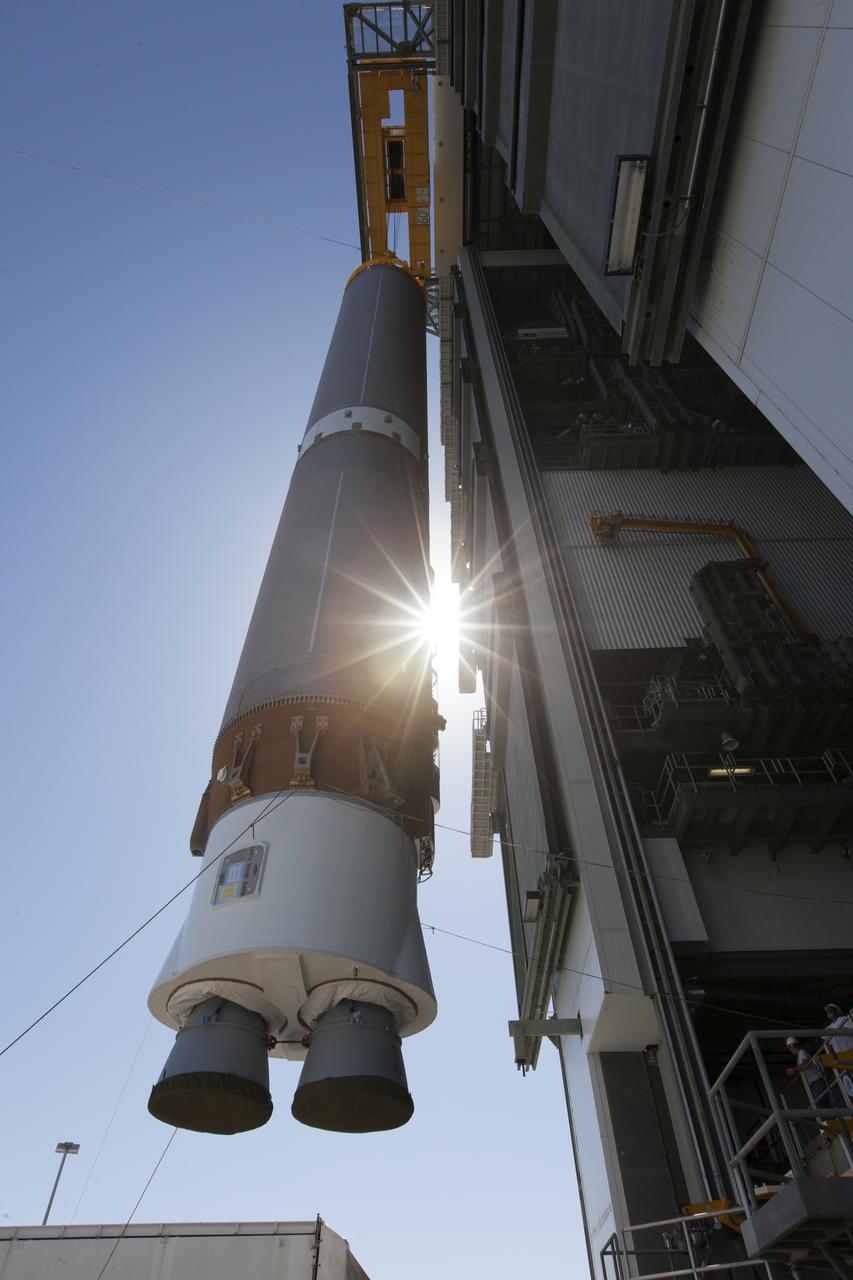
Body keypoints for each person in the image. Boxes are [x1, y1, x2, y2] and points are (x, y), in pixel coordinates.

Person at [785, 1036, 831, 1111]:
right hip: (813, 1082)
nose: (791, 1050)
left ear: (792, 1046)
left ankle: (831, 1117)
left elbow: (806, 1063)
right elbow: (802, 1069)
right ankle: (831, 1118)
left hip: (817, 1080)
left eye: (790, 1048)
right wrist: (793, 1072)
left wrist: (794, 1069)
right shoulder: (799, 1058)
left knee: (819, 1101)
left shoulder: (802, 1052)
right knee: (821, 1102)